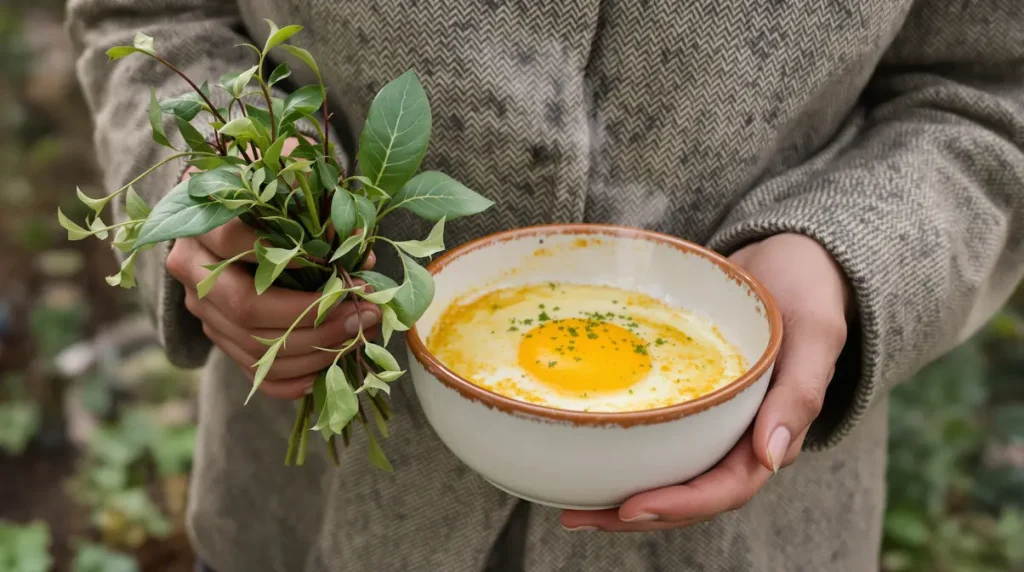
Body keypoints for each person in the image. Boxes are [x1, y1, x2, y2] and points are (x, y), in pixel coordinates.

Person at [66, 0, 1024, 570]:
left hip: (754, 537)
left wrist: (854, 254)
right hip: (314, 511)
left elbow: (992, 86)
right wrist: (234, 184)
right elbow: (151, 16)